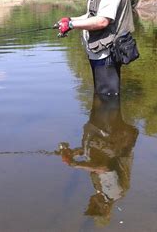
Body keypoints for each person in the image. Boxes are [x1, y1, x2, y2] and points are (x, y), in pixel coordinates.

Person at [58, 0, 135, 95]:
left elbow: (102, 21)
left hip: (106, 55)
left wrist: (72, 25)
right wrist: (69, 21)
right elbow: (91, 15)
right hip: (98, 52)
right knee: (102, 98)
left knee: (107, 100)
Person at [58, 94, 138, 226]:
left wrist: (73, 153)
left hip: (109, 148)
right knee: (90, 133)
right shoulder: (114, 193)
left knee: (89, 136)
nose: (90, 204)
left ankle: (104, 103)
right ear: (105, 208)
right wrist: (76, 164)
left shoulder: (99, 189)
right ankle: (105, 104)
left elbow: (92, 159)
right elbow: (103, 168)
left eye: (90, 207)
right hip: (116, 145)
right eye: (94, 208)